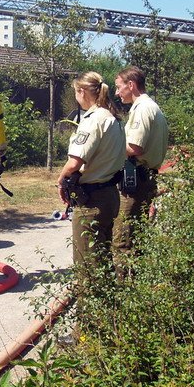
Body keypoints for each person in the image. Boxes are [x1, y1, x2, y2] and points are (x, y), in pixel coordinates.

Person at [56, 72, 125, 272]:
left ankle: (89, 302)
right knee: (103, 259)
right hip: (109, 194)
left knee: (88, 265)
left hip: (92, 200)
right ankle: (107, 302)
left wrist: (61, 182)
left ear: (82, 91)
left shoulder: (93, 120)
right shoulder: (113, 117)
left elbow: (74, 163)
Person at [112, 66, 169, 268]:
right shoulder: (151, 107)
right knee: (136, 237)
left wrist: (107, 148)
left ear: (131, 85)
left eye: (119, 87)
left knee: (123, 240)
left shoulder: (143, 108)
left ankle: (124, 291)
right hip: (144, 178)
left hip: (136, 182)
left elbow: (134, 147)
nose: (117, 93)